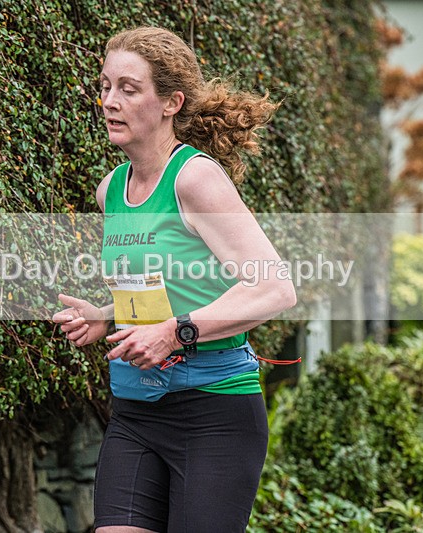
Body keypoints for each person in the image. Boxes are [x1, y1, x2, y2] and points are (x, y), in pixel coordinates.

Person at [52, 26, 297, 533]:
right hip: (136, 411)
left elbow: (274, 287)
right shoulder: (110, 190)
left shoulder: (195, 179)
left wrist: (174, 332)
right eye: (105, 86)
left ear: (171, 103)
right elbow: (160, 288)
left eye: (129, 88)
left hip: (215, 414)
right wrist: (105, 316)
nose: (109, 101)